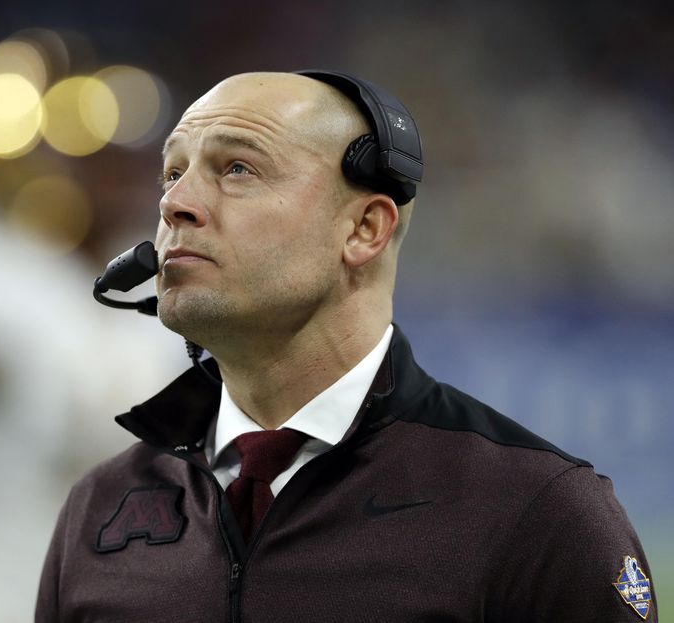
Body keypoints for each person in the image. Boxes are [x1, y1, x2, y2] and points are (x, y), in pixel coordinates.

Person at [36, 71, 656, 622]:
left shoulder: (537, 513)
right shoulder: (101, 507)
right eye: (173, 173)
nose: (175, 203)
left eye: (238, 169)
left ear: (364, 229)